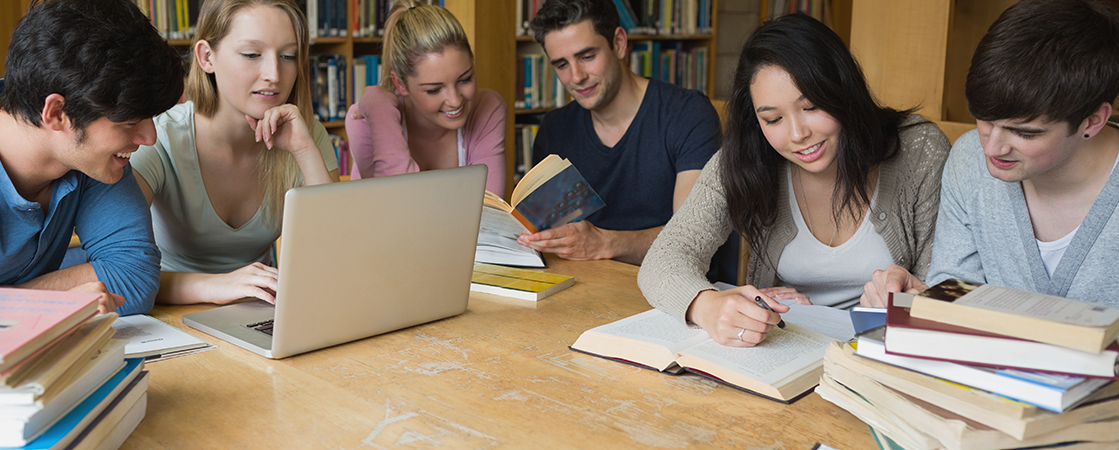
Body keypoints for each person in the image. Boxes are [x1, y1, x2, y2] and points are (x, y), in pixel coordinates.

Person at [638, 14, 951, 347]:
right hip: (787, 352)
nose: (799, 135)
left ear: (843, 90)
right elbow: (665, 258)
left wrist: (918, 298)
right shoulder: (743, 159)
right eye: (773, 119)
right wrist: (706, 305)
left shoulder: (919, 152)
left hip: (885, 358)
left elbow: (952, 289)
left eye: (812, 106)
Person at [0, 0, 185, 315]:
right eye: (130, 121)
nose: (150, 138)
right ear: (56, 114)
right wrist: (47, 303)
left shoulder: (92, 163)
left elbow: (134, 280)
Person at [862, 0, 1119, 307]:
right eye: (984, 119)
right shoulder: (970, 158)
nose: (992, 147)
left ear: (1093, 120)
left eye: (1024, 132)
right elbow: (957, 291)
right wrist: (924, 300)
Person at [131, 0, 340, 306]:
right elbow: (123, 275)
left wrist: (304, 151)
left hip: (259, 309)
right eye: (252, 54)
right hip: (165, 313)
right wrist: (218, 286)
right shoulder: (157, 137)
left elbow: (338, 254)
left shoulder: (305, 134)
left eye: (288, 56)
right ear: (206, 57)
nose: (274, 74)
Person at [519, 0, 721, 265]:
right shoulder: (554, 129)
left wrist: (605, 243)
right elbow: (550, 233)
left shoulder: (687, 115)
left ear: (619, 43)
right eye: (561, 65)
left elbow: (693, 239)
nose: (576, 77)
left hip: (669, 287)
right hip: (581, 288)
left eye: (587, 56)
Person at [344, 0, 507, 196]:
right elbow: (393, 208)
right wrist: (380, 112)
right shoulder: (365, 120)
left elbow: (488, 212)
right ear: (400, 84)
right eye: (434, 90)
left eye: (465, 79)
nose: (455, 101)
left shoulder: (488, 108)